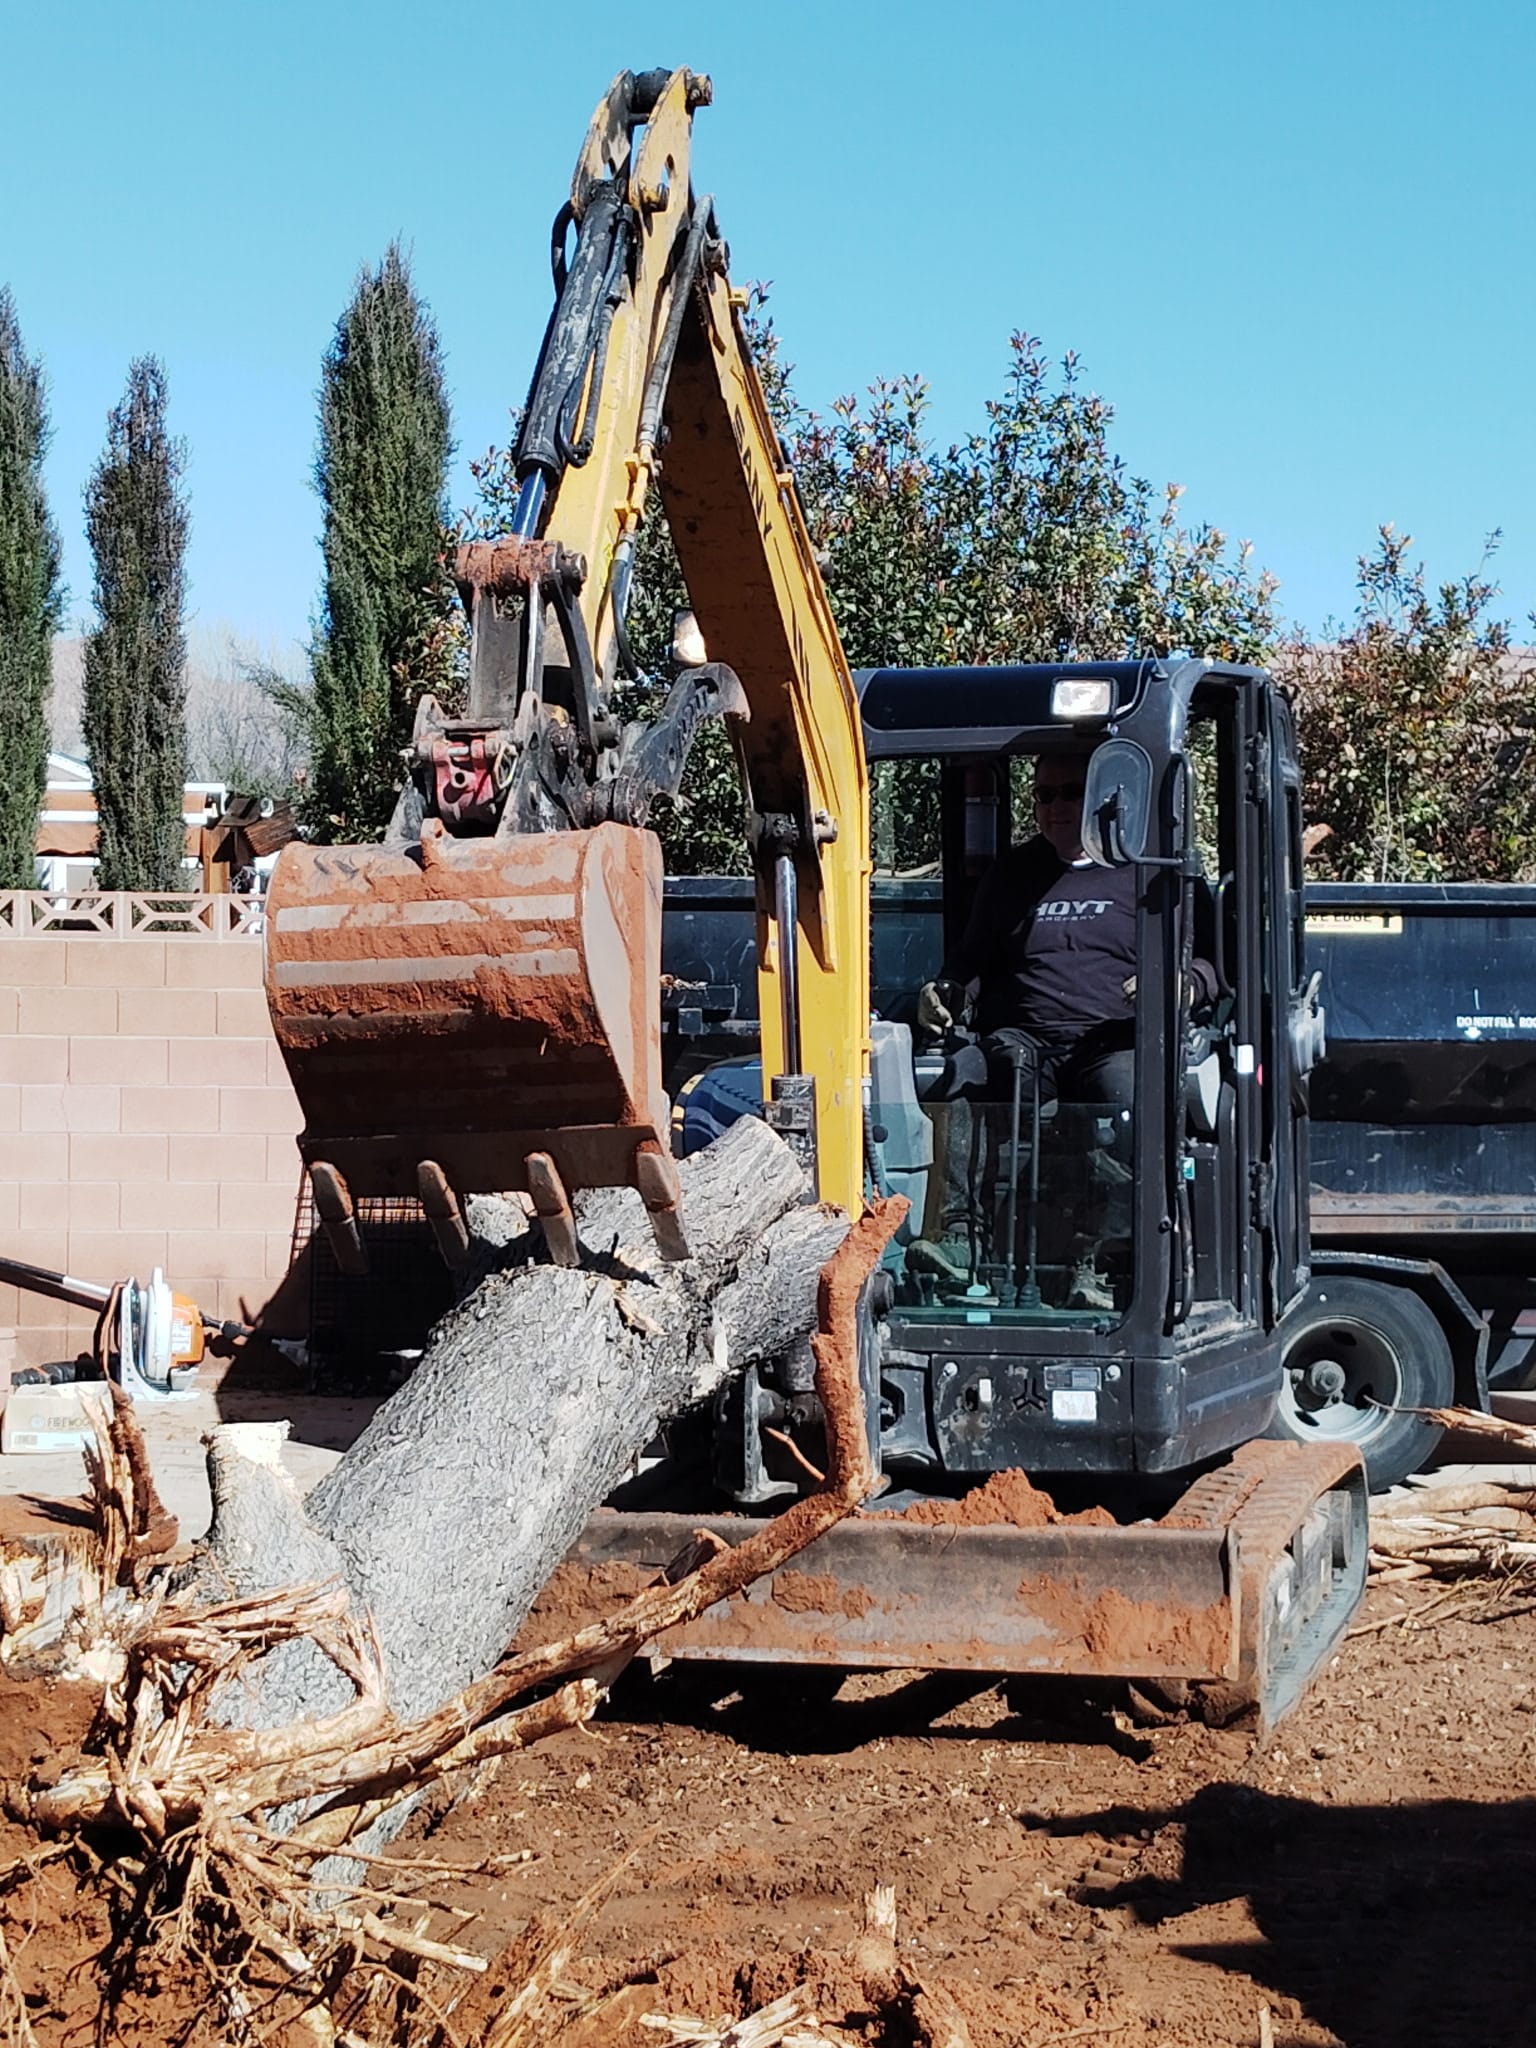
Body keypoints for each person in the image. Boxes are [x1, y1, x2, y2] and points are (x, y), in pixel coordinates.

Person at [909, 749, 1215, 1308]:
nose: (1054, 807)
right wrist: (943, 992)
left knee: (1130, 1097)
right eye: (1044, 795)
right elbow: (970, 963)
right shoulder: (1012, 875)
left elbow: (1211, 965)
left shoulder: (1154, 870)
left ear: (1104, 795)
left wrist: (1181, 984)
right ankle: (959, 1239)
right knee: (966, 1073)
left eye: (1070, 793)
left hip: (1115, 1041)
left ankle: (1101, 1263)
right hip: (1026, 1043)